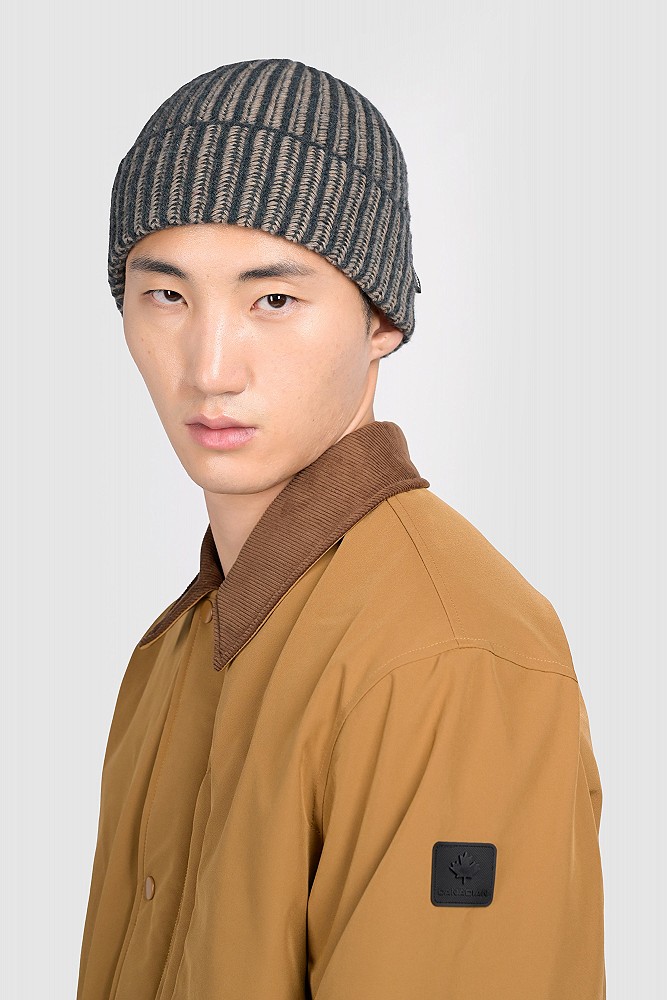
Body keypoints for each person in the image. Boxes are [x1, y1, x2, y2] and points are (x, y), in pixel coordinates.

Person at [76, 58, 606, 1000]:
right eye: (167, 296)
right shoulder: (179, 649)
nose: (209, 366)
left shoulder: (446, 656)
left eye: (273, 300)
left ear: (381, 321)